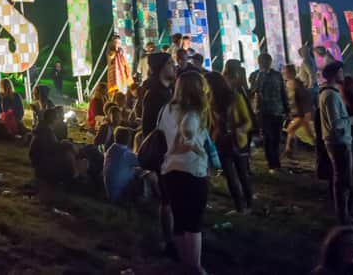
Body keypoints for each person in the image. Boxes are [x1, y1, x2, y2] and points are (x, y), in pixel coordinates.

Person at [157, 71, 211, 273]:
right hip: (192, 169)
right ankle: (195, 267)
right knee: (194, 222)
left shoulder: (166, 110)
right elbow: (189, 141)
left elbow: (161, 135)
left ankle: (185, 264)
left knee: (179, 220)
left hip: (170, 169)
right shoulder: (194, 113)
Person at [319, 61, 353, 225]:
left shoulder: (329, 93)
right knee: (342, 181)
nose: (343, 74)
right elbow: (335, 123)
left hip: (338, 141)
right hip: (338, 142)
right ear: (335, 74)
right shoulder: (331, 96)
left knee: (342, 180)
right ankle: (343, 218)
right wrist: (351, 120)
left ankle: (344, 215)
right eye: (341, 71)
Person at [211, 63, 253, 214]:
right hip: (224, 141)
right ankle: (242, 206)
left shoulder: (235, 98)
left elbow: (247, 121)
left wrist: (239, 130)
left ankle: (246, 205)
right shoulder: (213, 102)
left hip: (235, 141)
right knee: (232, 174)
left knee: (239, 173)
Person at [249, 53, 288, 172]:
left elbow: (282, 92)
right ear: (259, 62)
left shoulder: (277, 75)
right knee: (268, 137)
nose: (266, 63)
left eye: (267, 61)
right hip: (263, 111)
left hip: (276, 110)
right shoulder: (255, 75)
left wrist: (286, 108)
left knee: (276, 137)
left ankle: (276, 162)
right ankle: (272, 163)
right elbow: (253, 90)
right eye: (263, 61)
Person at [29, 107, 87, 184]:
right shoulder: (45, 132)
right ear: (54, 120)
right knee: (70, 155)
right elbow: (53, 149)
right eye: (57, 118)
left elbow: (53, 147)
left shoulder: (44, 129)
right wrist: (67, 145)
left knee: (70, 151)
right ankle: (75, 176)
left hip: (41, 164)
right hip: (43, 167)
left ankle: (76, 173)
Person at [104, 127, 159, 203]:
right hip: (121, 194)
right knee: (150, 174)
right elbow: (145, 163)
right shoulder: (126, 153)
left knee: (141, 171)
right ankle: (148, 199)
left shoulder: (111, 149)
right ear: (128, 139)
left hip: (111, 192)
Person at [282, 64, 314, 158]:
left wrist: (306, 112)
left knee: (290, 130)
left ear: (291, 73)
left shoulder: (294, 84)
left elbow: (301, 98)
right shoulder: (293, 83)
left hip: (300, 114)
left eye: (285, 73)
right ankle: (317, 145)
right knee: (307, 133)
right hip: (299, 113)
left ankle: (288, 150)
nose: (283, 74)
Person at [140, 53, 174, 139]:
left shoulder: (171, 90)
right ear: (160, 67)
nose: (174, 66)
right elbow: (148, 128)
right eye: (169, 63)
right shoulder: (153, 95)